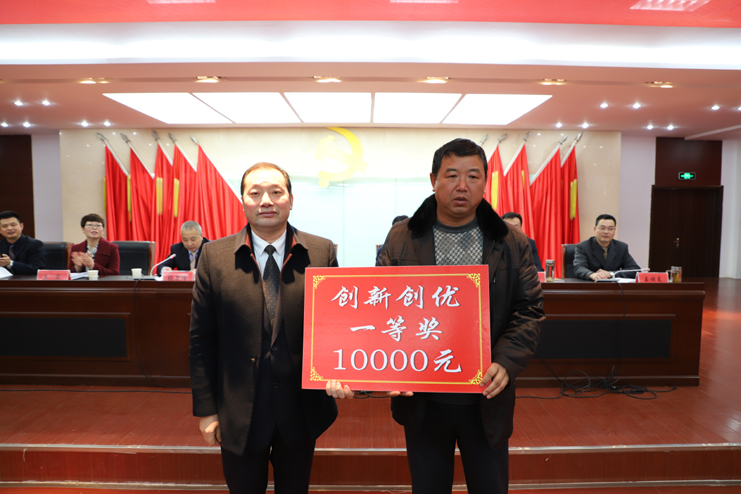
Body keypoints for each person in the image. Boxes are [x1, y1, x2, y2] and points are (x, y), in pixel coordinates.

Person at [328, 138, 544, 494]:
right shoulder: (402, 237)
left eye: (473, 176)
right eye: (452, 175)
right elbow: (381, 310)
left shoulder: (511, 241)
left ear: (485, 182)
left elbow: (529, 310)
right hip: (422, 398)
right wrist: (375, 370)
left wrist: (506, 362)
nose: (462, 186)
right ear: (433, 180)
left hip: (486, 395)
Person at [189, 162, 339, 494]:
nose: (266, 201)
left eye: (276, 192)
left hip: (300, 408)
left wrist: (340, 372)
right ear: (243, 201)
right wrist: (207, 409)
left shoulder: (321, 251)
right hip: (238, 408)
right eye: (255, 193)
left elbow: (333, 328)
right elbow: (202, 339)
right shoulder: (214, 256)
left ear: (291, 199)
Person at [573, 214, 640, 280]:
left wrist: (611, 274)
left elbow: (635, 270)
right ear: (595, 229)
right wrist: (592, 275)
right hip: (591, 285)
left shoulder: (621, 247)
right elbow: (579, 268)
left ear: (614, 231)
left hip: (613, 286)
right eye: (602, 228)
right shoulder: (583, 246)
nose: (606, 232)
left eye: (610, 229)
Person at [0, 210, 46, 275]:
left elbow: (37, 268)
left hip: (26, 280)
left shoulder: (35, 244)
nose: (9, 228)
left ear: (21, 226)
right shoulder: (1, 245)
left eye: (13, 225)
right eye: (5, 226)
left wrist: (10, 263)